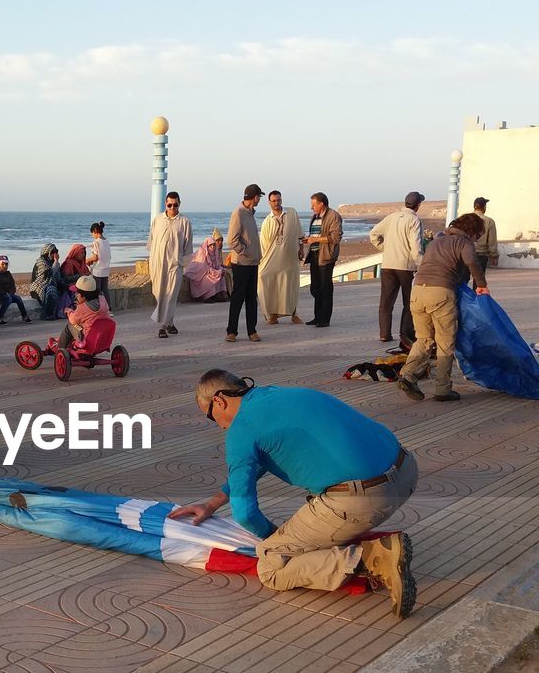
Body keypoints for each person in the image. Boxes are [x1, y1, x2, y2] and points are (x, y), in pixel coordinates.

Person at [169, 369, 419, 617]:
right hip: (406, 471)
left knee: (271, 567)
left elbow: (244, 514)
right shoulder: (277, 394)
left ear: (219, 401)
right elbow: (258, 464)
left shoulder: (241, 430)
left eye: (211, 417)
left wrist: (277, 541)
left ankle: (372, 557)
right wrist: (212, 504)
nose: (220, 427)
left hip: (367, 498)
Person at [398, 213, 489, 404]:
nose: (476, 239)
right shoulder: (463, 242)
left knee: (423, 339)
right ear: (471, 231)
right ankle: (443, 389)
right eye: (477, 235)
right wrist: (481, 284)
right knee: (445, 342)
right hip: (440, 293)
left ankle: (408, 375)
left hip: (417, 292)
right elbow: (472, 261)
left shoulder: (437, 241)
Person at [369, 192, 424, 345]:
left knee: (386, 301)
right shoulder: (414, 220)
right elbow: (416, 246)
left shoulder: (392, 217)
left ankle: (384, 333)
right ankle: (405, 334)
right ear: (418, 205)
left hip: (388, 264)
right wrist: (421, 264)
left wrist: (385, 248)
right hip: (405, 266)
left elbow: (374, 234)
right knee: (409, 301)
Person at [147, 191, 193, 339]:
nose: (172, 207)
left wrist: (182, 263)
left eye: (175, 204)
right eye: (169, 204)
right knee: (160, 294)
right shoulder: (157, 220)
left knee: (171, 294)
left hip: (175, 264)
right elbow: (152, 240)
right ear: (166, 204)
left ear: (179, 204)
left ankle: (162, 326)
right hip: (158, 264)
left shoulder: (184, 222)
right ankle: (170, 323)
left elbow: (188, 245)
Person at [258, 191, 304, 325]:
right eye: (273, 201)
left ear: (281, 200)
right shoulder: (267, 221)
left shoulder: (292, 213)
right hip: (273, 259)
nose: (276, 203)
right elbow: (264, 245)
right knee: (266, 280)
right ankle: (272, 315)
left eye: (278, 200)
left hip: (290, 258)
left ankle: (294, 314)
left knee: (291, 284)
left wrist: (301, 249)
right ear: (269, 202)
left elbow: (300, 234)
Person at [226, 183, 263, 342]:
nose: (259, 199)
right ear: (255, 197)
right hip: (241, 263)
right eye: (259, 196)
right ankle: (231, 331)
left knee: (251, 298)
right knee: (237, 298)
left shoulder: (251, 213)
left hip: (253, 263)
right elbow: (231, 240)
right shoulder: (239, 213)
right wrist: (245, 251)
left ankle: (252, 330)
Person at [304, 192, 343, 328]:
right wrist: (308, 239)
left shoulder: (333, 216)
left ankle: (325, 318)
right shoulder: (315, 216)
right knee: (315, 287)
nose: (311, 208)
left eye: (313, 205)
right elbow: (315, 233)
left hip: (326, 256)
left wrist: (316, 239)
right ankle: (317, 316)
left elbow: (336, 237)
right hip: (314, 255)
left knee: (325, 288)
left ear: (321, 204)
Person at [56, 275, 111, 348]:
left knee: (70, 326)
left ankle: (60, 347)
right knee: (82, 323)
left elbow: (73, 320)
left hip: (87, 338)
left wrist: (69, 311)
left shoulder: (83, 308)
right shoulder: (102, 300)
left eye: (77, 293)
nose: (75, 295)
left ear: (84, 296)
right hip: (102, 336)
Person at [185, 230, 228, 302]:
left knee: (221, 276)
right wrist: (217, 272)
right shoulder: (202, 253)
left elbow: (217, 264)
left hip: (210, 272)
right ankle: (207, 297)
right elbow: (205, 268)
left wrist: (221, 270)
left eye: (214, 245)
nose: (213, 247)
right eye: (211, 245)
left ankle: (217, 295)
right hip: (199, 276)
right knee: (209, 278)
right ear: (207, 245)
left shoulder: (215, 253)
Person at [0, 255, 31, 324]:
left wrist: (10, 293)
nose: (5, 266)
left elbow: (13, 286)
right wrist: (4, 294)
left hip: (8, 294)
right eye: (2, 264)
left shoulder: (8, 274)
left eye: (6, 264)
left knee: (18, 299)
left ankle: (25, 316)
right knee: (8, 299)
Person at [31, 243, 62, 319]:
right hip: (39, 288)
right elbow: (48, 275)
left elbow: (59, 278)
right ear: (47, 253)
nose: (54, 255)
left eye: (55, 252)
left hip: (50, 285)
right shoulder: (41, 262)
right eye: (52, 253)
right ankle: (48, 314)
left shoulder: (53, 263)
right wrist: (56, 262)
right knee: (51, 290)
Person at [86, 221, 112, 306]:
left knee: (97, 290)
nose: (92, 236)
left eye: (92, 233)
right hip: (106, 269)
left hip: (98, 270)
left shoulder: (96, 242)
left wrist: (86, 260)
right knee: (105, 290)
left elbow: (95, 257)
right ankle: (109, 309)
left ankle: (99, 308)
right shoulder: (107, 242)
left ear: (95, 231)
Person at [472, 197, 498, 277]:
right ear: (484, 207)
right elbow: (492, 241)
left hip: (465, 253)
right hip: (481, 255)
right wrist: (494, 256)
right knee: (479, 281)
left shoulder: (465, 218)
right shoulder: (489, 221)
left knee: (463, 280)